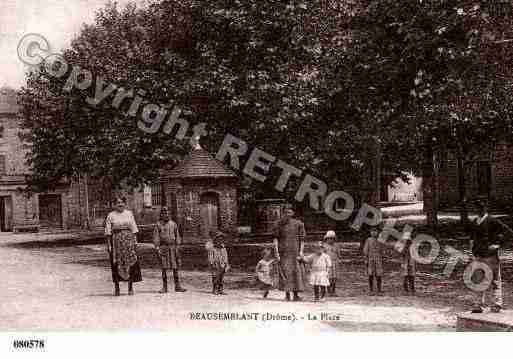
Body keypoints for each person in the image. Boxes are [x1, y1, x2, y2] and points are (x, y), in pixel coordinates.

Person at [470, 201, 513, 313]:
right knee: (478, 281)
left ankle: (496, 305)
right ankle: (478, 305)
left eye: (481, 207)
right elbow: (472, 237)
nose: (478, 210)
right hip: (478, 256)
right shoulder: (475, 221)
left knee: (495, 281)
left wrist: (498, 245)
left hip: (491, 256)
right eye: (476, 207)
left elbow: (508, 232)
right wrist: (472, 250)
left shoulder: (492, 221)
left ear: (485, 208)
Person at [104, 196, 142, 296]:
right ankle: (117, 288)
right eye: (118, 203)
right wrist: (109, 245)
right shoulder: (111, 215)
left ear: (125, 204)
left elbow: (134, 228)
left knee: (130, 263)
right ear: (115, 204)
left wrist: (135, 241)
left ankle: (130, 287)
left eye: (122, 202)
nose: (120, 204)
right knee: (116, 264)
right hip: (116, 242)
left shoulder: (129, 213)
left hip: (128, 242)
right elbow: (108, 232)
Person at [273, 203, 306, 301]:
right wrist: (277, 253)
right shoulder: (278, 224)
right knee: (286, 272)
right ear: (283, 213)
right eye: (285, 212)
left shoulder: (299, 224)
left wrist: (301, 252)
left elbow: (302, 240)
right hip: (284, 252)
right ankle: (287, 295)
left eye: (289, 211)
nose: (287, 213)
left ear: (293, 213)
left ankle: (296, 295)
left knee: (296, 273)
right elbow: (275, 239)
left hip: (295, 252)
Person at [153, 206, 186, 293]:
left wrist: (178, 246)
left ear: (170, 214)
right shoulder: (158, 224)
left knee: (175, 267)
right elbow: (156, 237)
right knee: (164, 267)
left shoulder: (173, 224)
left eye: (168, 213)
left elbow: (177, 236)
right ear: (161, 215)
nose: (166, 215)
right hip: (163, 247)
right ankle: (165, 287)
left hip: (173, 247)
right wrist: (157, 247)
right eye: (164, 213)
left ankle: (177, 285)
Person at [207, 231, 230, 295]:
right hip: (215, 265)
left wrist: (226, 263)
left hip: (222, 265)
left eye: (221, 239)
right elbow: (210, 256)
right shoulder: (212, 248)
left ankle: (220, 289)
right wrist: (212, 263)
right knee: (215, 277)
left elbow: (225, 256)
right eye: (218, 239)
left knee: (221, 277)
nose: (220, 241)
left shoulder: (223, 248)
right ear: (215, 240)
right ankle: (215, 289)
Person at [363, 228, 384, 295]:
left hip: (378, 260)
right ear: (370, 232)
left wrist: (382, 257)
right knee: (370, 274)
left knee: (379, 275)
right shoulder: (368, 240)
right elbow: (365, 251)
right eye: (372, 231)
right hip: (370, 259)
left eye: (375, 231)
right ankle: (371, 290)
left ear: (378, 232)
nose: (374, 233)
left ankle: (379, 290)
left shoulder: (380, 240)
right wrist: (366, 259)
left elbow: (382, 250)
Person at [323, 230, 341, 296]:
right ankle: (329, 290)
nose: (330, 240)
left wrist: (338, 260)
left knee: (334, 278)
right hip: (328, 264)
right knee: (328, 277)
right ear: (326, 239)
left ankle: (333, 290)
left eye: (332, 238)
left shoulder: (336, 246)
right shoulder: (324, 246)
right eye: (329, 238)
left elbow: (338, 254)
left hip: (334, 263)